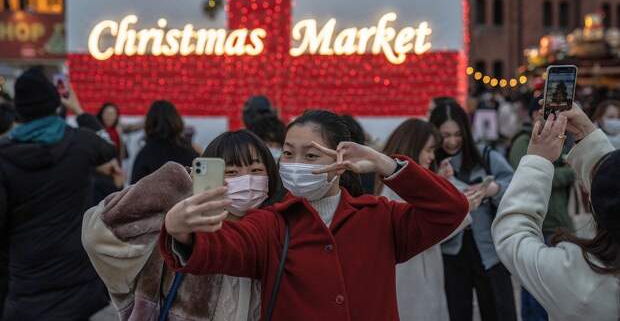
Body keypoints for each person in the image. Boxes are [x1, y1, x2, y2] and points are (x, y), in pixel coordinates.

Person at [160, 109, 469, 321]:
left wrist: (385, 164)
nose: (295, 163)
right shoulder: (272, 223)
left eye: (310, 155)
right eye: (288, 153)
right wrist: (181, 231)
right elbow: (225, 246)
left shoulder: (379, 217)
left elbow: (450, 210)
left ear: (342, 158)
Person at [83, 130, 281, 320]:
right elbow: (97, 235)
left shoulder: (279, 232)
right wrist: (171, 184)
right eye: (231, 172)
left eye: (256, 171)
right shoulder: (181, 231)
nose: (246, 181)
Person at [0, 68, 117, 320]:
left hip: (25, 290)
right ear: (55, 104)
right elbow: (108, 147)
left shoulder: (4, 155)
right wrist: (79, 109)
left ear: (19, 110)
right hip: (81, 289)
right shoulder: (80, 143)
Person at [492, 105, 620, 321]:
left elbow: (511, 235)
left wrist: (537, 160)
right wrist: (588, 136)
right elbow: (613, 187)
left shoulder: (580, 279)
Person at [377, 118, 478, 321]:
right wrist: (464, 210)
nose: (432, 156)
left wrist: (440, 183)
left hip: (417, 277)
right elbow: (423, 232)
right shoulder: (395, 189)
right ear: (413, 148)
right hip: (411, 280)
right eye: (429, 150)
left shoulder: (398, 185)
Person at [430, 101, 517, 321]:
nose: (451, 141)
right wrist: (439, 183)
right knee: (456, 312)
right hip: (450, 253)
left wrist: (492, 189)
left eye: (457, 134)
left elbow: (515, 185)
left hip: (488, 249)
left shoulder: (485, 155)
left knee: (499, 310)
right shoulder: (430, 160)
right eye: (445, 135)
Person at [507, 98, 575, 321]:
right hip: (539, 225)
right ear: (535, 113)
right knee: (536, 293)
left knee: (556, 293)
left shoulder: (563, 140)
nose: (553, 116)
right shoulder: (523, 141)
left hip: (560, 224)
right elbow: (527, 176)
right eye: (548, 110)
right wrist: (567, 173)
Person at [131, 100, 198, 184]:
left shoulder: (145, 154)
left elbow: (134, 191)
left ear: (150, 122)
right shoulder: (190, 151)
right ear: (176, 120)